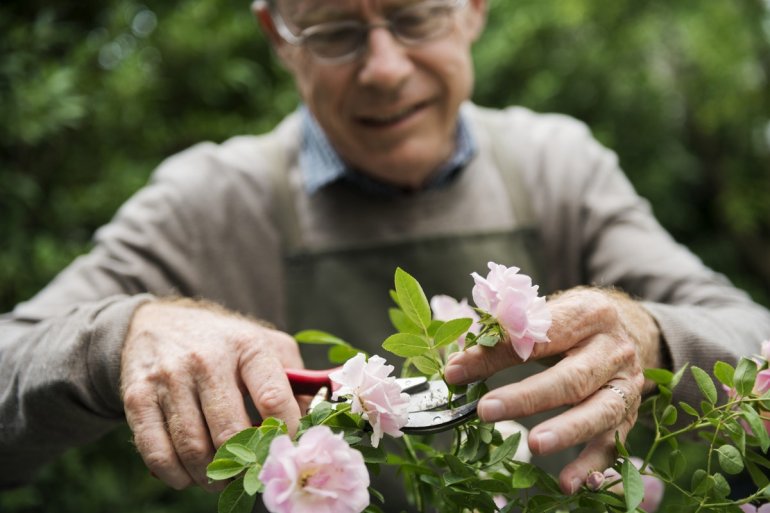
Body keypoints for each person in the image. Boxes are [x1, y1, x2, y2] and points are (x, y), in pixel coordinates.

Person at [1, 0, 769, 509]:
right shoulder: (206, 203)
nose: (384, 68)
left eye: (412, 16)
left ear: (471, 9)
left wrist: (652, 335)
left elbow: (752, 335)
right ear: (278, 37)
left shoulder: (557, 168)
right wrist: (116, 339)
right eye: (335, 31)